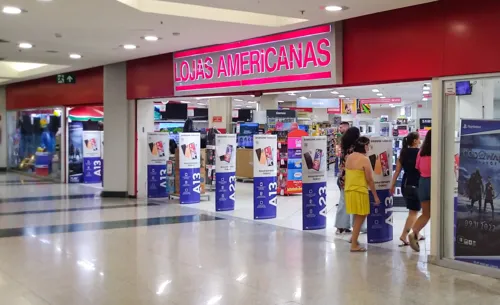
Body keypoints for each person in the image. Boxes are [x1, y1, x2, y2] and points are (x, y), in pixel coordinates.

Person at [345, 136, 380, 252]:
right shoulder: (365, 159)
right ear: (365, 146)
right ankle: (354, 245)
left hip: (349, 190)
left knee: (357, 216)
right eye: (368, 145)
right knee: (361, 216)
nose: (369, 148)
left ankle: (353, 238)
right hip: (360, 191)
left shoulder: (349, 157)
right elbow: (370, 179)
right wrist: (375, 196)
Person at [389, 132, 423, 246]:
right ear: (414, 141)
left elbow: (397, 171)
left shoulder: (403, 153)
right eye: (419, 139)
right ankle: (404, 235)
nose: (420, 141)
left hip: (405, 185)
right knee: (413, 212)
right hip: (415, 184)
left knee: (412, 211)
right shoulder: (420, 153)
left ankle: (417, 233)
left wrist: (392, 185)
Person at [408, 129, 432, 252]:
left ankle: (414, 232)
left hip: (422, 182)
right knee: (439, 214)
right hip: (434, 182)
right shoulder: (438, 152)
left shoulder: (421, 152)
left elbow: (417, 167)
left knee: (426, 213)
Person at [335, 127, 360, 234]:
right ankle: (358, 226)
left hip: (343, 177)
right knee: (356, 203)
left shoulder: (345, 147)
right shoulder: (355, 149)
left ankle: (341, 226)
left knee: (343, 202)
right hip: (352, 178)